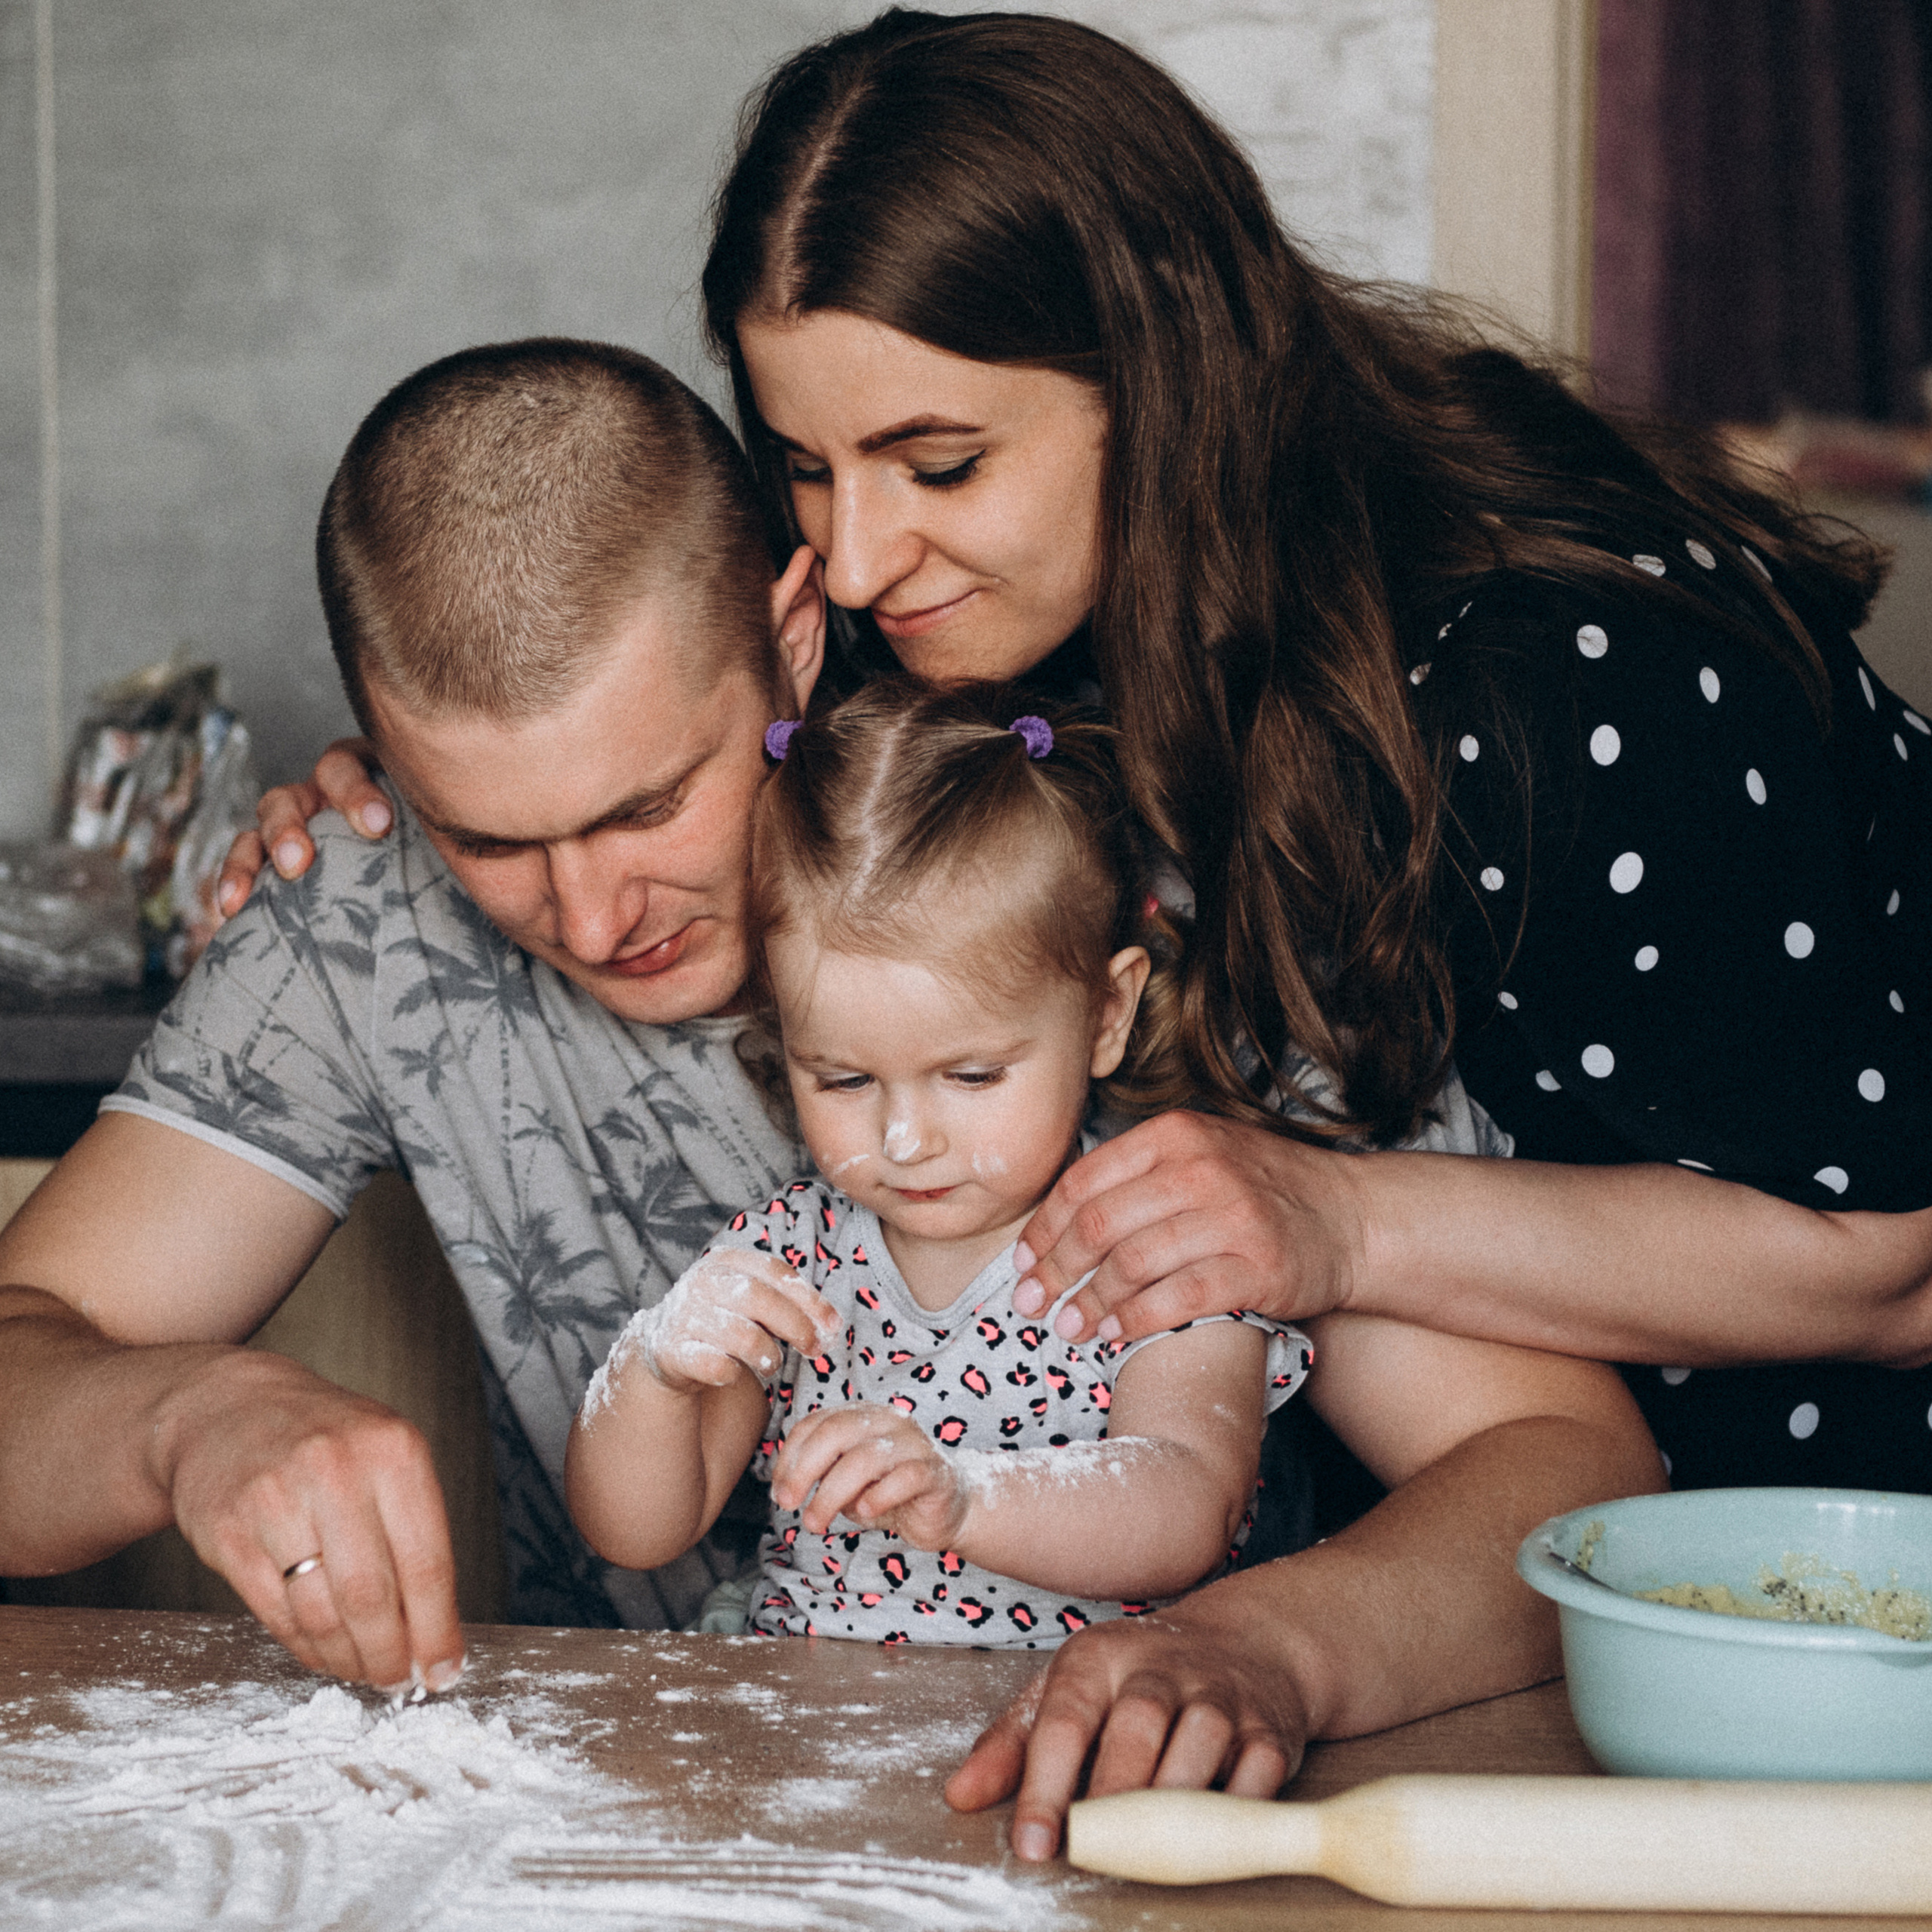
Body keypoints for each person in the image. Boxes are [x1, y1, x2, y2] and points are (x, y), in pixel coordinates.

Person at [237, 5, 1930, 1856]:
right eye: (805, 467)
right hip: (1522, 1580)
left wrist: (1333, 1216)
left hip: (1838, 1567)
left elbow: (1882, 1262)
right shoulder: (1026, 644)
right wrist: (424, 795)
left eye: (935, 464)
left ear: (1170, 375)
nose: (860, 560)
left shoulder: (1570, 665)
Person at [7, 327, 1657, 1858]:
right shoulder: (360, 910)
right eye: (491, 838)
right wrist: (188, 1416)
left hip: (1141, 1825)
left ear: (792, 635)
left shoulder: (1090, 864)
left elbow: (1563, 1463)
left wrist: (1263, 1647)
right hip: (654, 1834)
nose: (591, 919)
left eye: (651, 800)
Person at [565, 682, 1312, 1646]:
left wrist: (964, 1496)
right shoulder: (797, 1254)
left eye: (969, 1074)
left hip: (1060, 1724)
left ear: (1106, 1014)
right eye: (840, 1079)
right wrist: (655, 1365)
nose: (906, 1139)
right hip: (806, 1725)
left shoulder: (1156, 1237)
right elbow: (637, 1533)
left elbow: (1187, 1502)